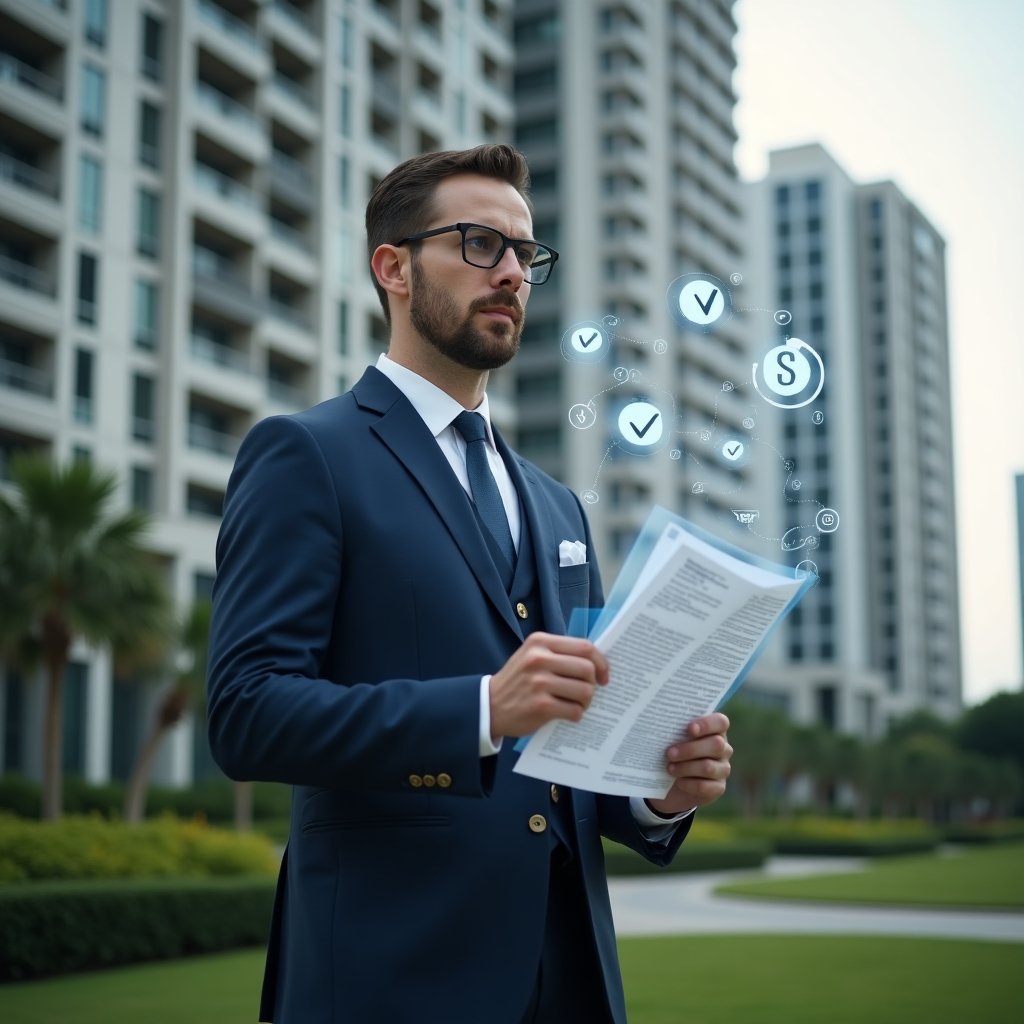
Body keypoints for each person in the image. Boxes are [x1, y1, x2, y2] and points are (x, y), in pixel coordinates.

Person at [207, 144, 733, 1024]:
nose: (513, 274)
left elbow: (568, 765)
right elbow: (247, 711)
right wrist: (481, 709)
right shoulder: (308, 455)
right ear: (394, 267)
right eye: (480, 245)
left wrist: (655, 794)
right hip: (389, 976)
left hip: (568, 978)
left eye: (526, 254)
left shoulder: (558, 505)